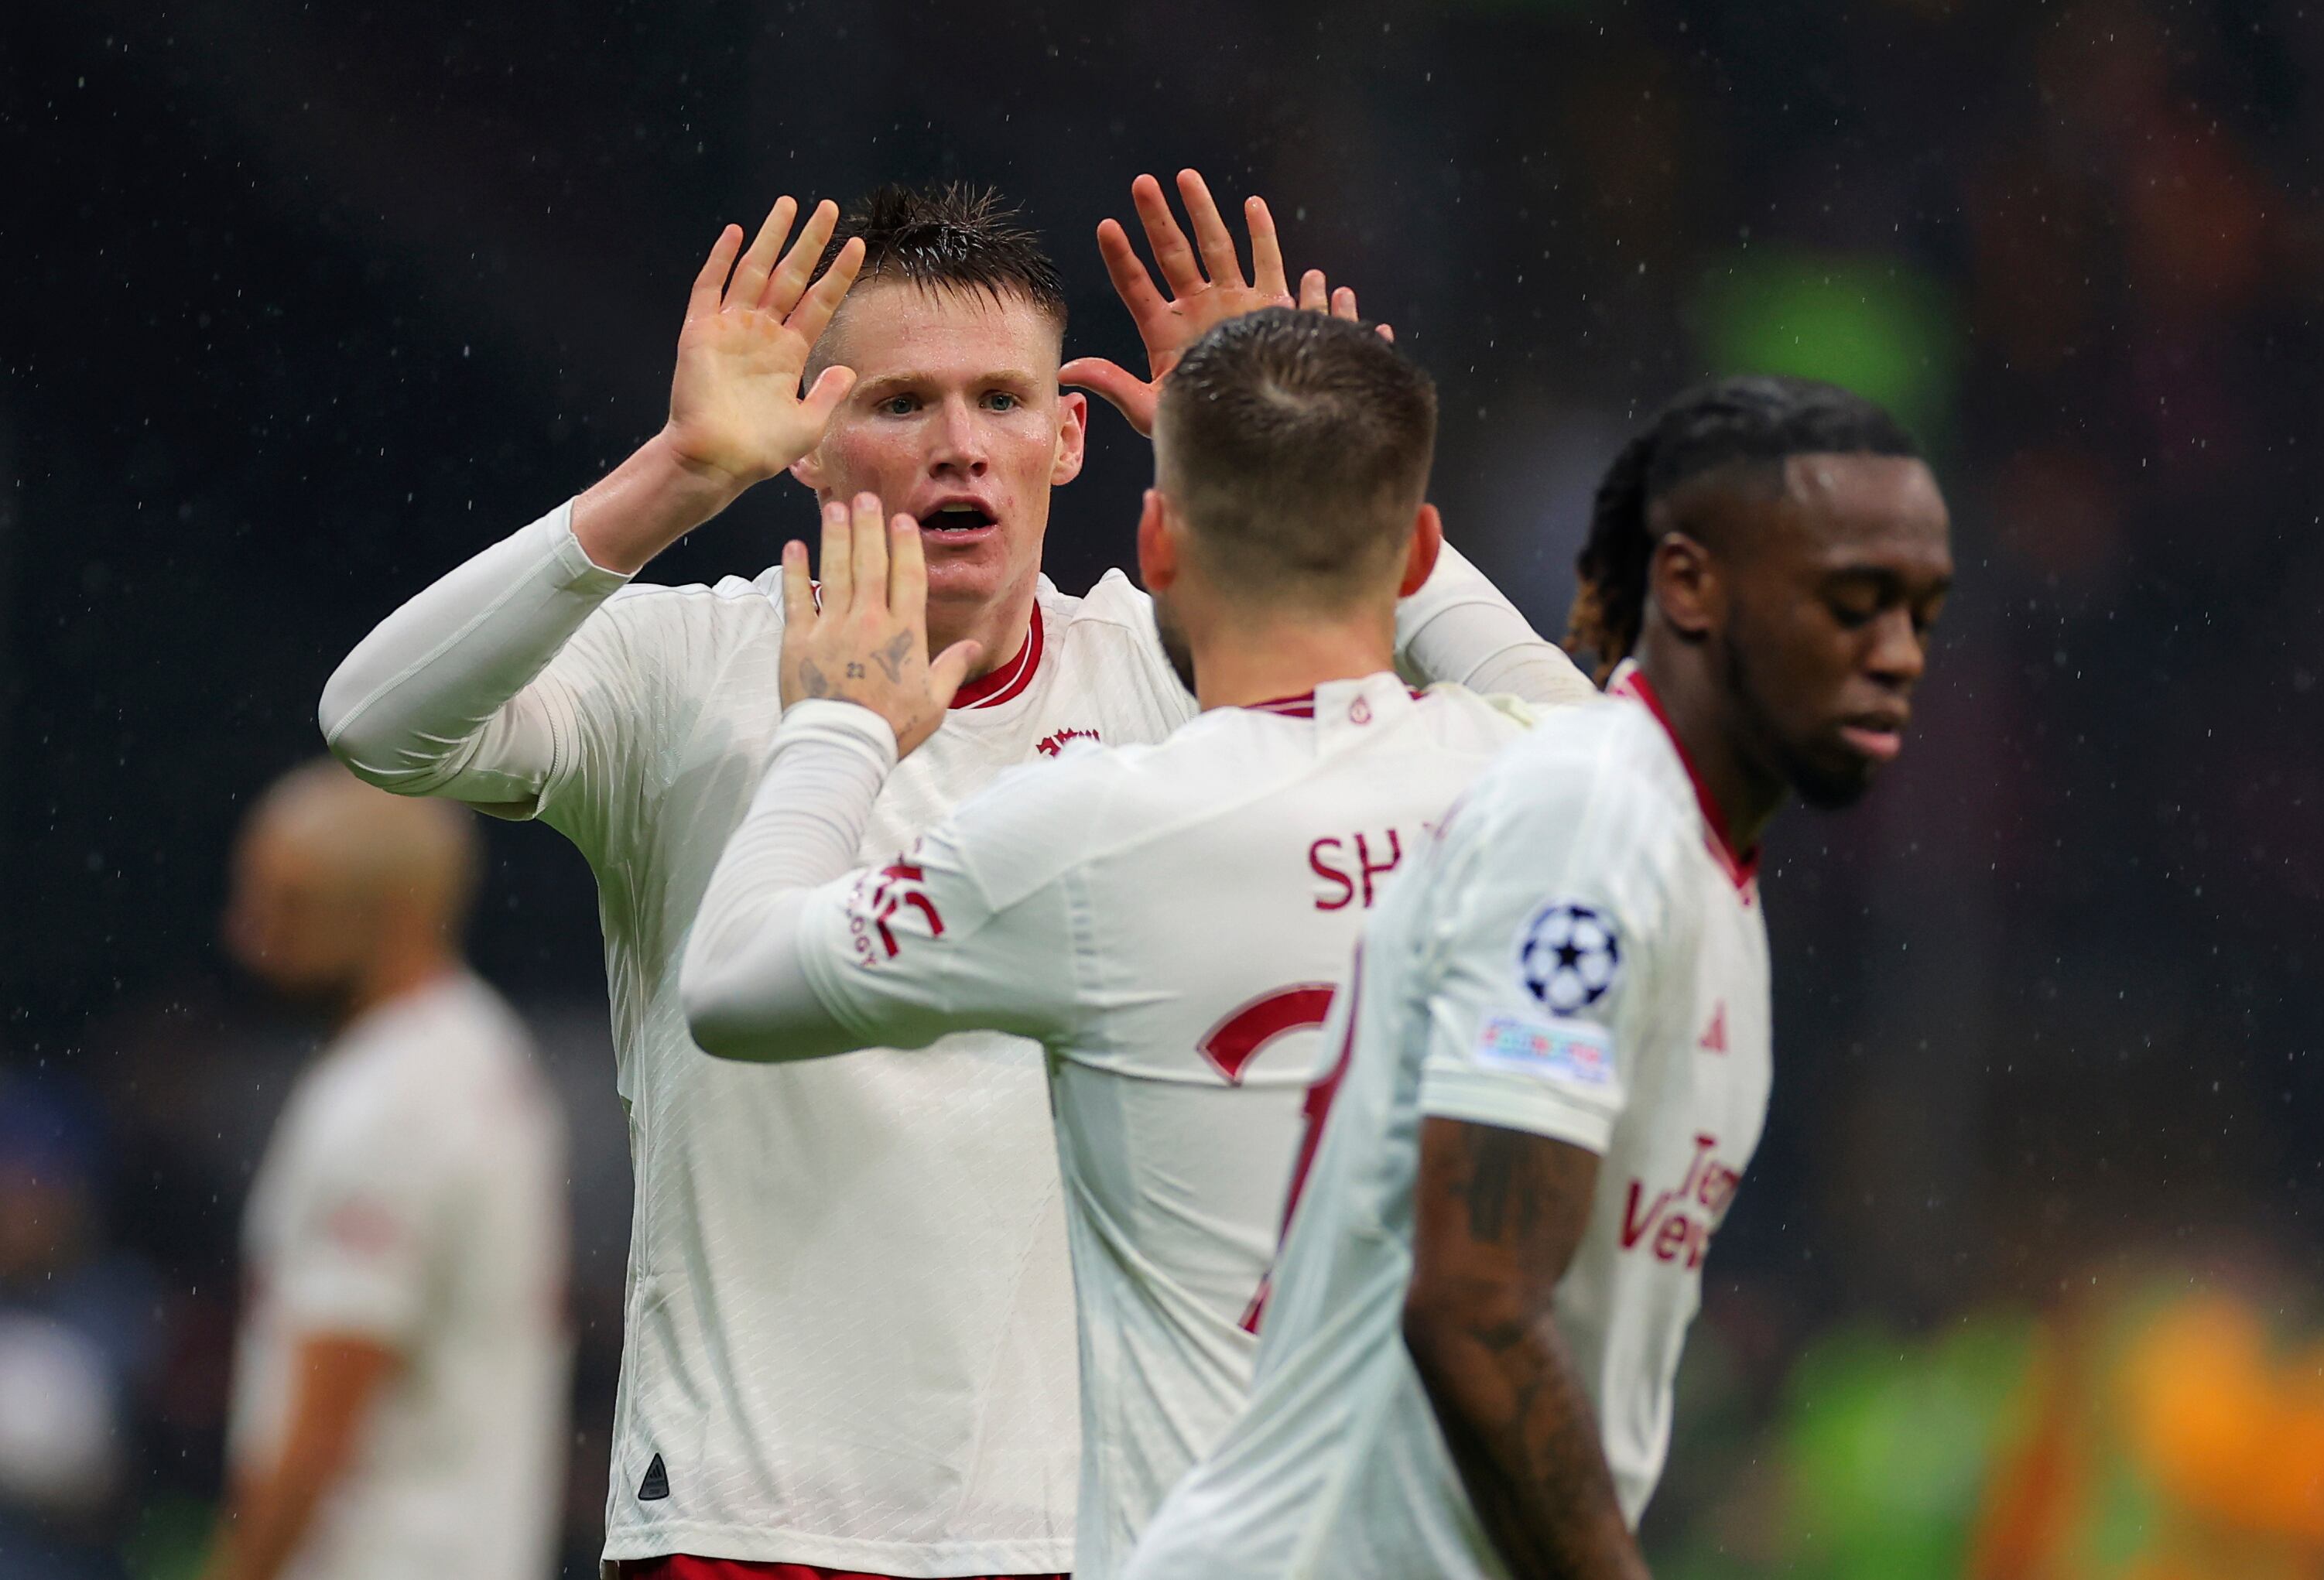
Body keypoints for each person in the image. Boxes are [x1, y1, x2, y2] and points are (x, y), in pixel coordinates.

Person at [317, 176, 1593, 1578]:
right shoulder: (683, 668)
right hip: (747, 1518)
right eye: (898, 403)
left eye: (999, 400)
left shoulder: (1177, 678)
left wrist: (1300, 462)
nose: (958, 448)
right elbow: (377, 723)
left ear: (1066, 437)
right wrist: (678, 469)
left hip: (1093, 1530)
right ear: (805, 435)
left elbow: (1579, 765)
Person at [677, 309, 1582, 1578]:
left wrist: (836, 730)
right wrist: (1331, 459)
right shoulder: (1551, 786)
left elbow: (728, 985)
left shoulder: (1087, 828)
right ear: (1419, 544)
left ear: (1155, 543)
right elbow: (1587, 722)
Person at [1124, 374, 1955, 1580]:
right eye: (1849, 603)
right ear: (1687, 586)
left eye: (1921, 613)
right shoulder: (1592, 824)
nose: (1896, 656)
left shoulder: (1685, 857)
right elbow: (1471, 1303)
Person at [206, 761, 568, 1580]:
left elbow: (321, 1434)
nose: (248, 933)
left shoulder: (390, 1104)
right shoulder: (481, 1044)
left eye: (289, 905)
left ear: (393, 915)